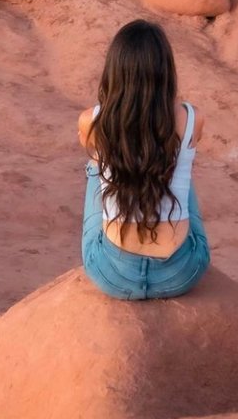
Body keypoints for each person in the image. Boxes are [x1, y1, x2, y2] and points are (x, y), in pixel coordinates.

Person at [78, 19, 210, 300]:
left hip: (113, 275)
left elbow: (92, 150)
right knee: (178, 164)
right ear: (166, 73)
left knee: (96, 165)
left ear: (115, 71)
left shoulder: (91, 121)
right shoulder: (192, 118)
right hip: (181, 274)